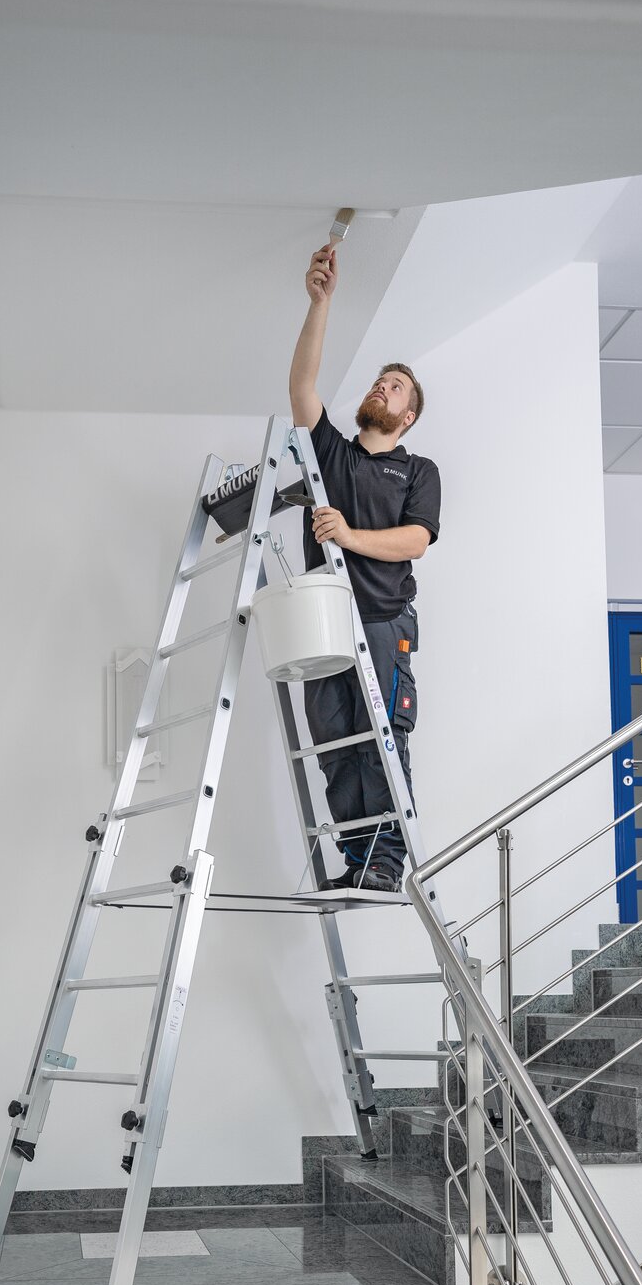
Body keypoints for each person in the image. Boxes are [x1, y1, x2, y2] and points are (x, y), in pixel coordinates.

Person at [288, 241, 441, 892]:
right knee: (333, 743)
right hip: (324, 622)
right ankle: (356, 859)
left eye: (396, 385)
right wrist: (320, 302)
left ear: (407, 414)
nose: (384, 385)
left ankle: (385, 861)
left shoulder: (416, 470)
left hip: (380, 618)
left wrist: (348, 534)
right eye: (382, 378)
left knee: (380, 739)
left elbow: (415, 542)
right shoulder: (336, 458)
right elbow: (302, 388)